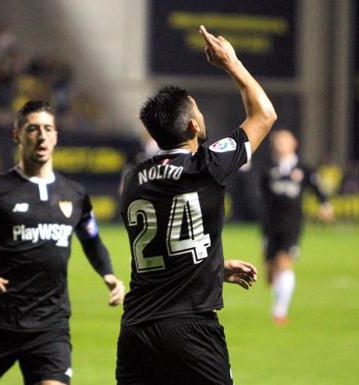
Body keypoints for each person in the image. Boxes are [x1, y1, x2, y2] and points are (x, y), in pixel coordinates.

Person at [115, 25, 276, 385]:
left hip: (136, 330)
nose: (203, 117)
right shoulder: (206, 166)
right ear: (191, 125)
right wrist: (231, 63)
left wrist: (214, 269)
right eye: (199, 111)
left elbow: (163, 251)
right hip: (189, 329)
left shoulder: (134, 178)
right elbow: (264, 115)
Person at [0, 101, 125, 385]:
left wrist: (109, 274)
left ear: (56, 136)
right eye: (32, 129)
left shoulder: (75, 194)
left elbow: (92, 240)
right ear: (16, 135)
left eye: (47, 129)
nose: (41, 136)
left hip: (49, 327)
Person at [259, 129, 333, 325]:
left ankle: (279, 311)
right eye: (277, 140)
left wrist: (325, 205)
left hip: (292, 224)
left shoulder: (303, 168)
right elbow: (261, 195)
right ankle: (277, 297)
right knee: (270, 271)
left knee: (285, 262)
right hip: (269, 225)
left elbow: (317, 187)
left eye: (284, 140)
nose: (280, 143)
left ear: (294, 143)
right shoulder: (268, 168)